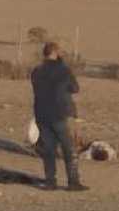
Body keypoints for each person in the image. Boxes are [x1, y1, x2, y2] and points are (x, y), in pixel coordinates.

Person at [30, 42, 88, 192]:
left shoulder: (37, 71)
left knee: (48, 150)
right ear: (56, 53)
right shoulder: (63, 70)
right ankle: (73, 182)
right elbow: (75, 88)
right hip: (59, 113)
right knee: (69, 148)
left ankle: (50, 182)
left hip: (41, 114)